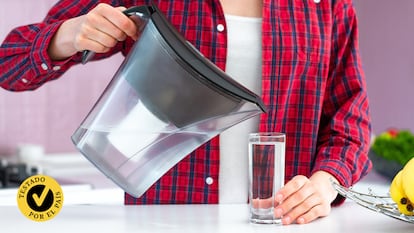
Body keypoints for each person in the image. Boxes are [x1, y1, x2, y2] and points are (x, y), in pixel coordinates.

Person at [0, 0, 372, 225]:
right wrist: (70, 33)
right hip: (162, 222)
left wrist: (324, 186)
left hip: (282, 223)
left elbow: (350, 122)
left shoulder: (326, 6)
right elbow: (9, 64)